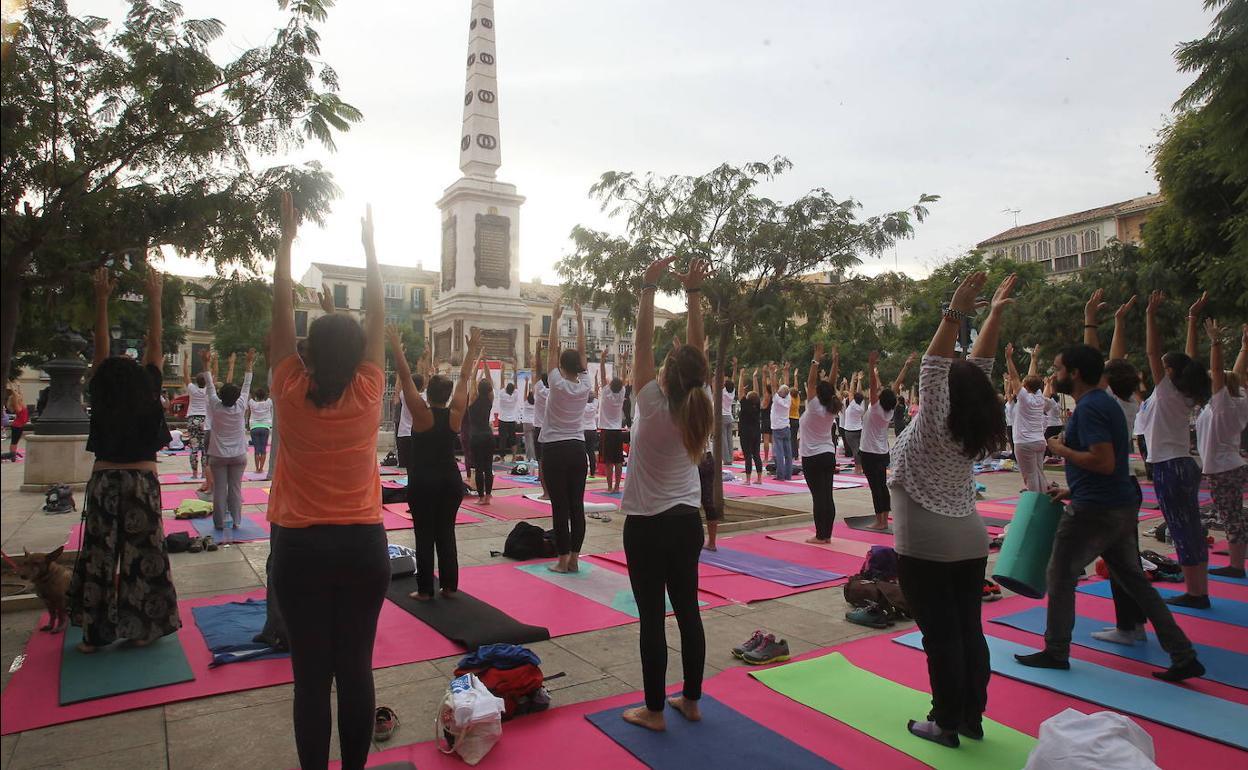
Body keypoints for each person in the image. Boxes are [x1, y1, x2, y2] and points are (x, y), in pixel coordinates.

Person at [266, 195, 390, 770]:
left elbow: (280, 309)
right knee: (356, 670)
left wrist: (286, 243)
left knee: (311, 679)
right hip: (362, 546)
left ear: (306, 352)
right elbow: (379, 323)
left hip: (299, 547)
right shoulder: (369, 393)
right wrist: (370, 252)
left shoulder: (288, 390)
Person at [1014, 343, 1205, 682]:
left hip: (1095, 509)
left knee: (1059, 576)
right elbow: (1111, 463)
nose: (1054, 376)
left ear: (1074, 373)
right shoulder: (1104, 403)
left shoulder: (1090, 407)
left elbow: (1103, 461)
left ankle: (1056, 651)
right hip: (1114, 503)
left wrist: (1061, 449)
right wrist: (1071, 487)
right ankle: (1182, 653)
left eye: (1058, 369)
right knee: (1134, 580)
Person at [890, 271, 1015, 748]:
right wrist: (995, 316)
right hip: (968, 537)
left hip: (927, 544)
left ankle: (944, 722)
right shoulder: (968, 420)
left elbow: (933, 366)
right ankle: (970, 717)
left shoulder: (931, 425)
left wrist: (955, 315)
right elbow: (977, 368)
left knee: (941, 637)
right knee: (968, 631)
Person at [619, 255, 714, 733]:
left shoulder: (650, 402)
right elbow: (698, 354)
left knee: (652, 620)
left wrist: (648, 287)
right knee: (689, 611)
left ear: (666, 374)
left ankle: (655, 710)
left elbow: (641, 343)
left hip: (646, 525)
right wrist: (694, 295)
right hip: (685, 524)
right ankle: (691, 700)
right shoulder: (703, 403)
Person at [68, 265, 179, 652]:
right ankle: (143, 627)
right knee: (144, 555)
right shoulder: (148, 386)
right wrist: (155, 298)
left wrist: (102, 298)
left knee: (101, 555)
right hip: (141, 484)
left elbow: (100, 342)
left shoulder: (102, 388)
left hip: (104, 482)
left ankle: (95, 634)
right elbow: (156, 342)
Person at [392, 325, 481, 601]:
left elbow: (406, 376)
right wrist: (471, 351)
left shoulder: (420, 414)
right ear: (447, 394)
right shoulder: (455, 413)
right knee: (446, 532)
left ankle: (425, 590)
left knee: (424, 534)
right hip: (450, 482)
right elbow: (465, 377)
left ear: (428, 393)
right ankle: (450, 586)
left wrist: (396, 344)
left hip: (424, 482)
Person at [1144, 291, 1213, 607]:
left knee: (1180, 529)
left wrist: (1150, 315)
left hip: (1169, 467)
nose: (1159, 367)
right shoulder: (1185, 391)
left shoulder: (1168, 391)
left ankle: (1195, 592)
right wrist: (1191, 319)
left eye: (1163, 366)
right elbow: (1190, 357)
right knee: (1190, 527)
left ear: (1169, 372)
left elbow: (1152, 349)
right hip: (1184, 464)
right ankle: (1199, 589)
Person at [540, 299, 591, 573]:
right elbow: (582, 354)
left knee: (559, 507)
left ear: (561, 366)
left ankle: (561, 560)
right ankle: (573, 558)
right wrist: (580, 321)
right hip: (577, 449)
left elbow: (551, 352)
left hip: (555, 450)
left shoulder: (557, 383)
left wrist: (554, 318)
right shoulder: (584, 385)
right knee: (576, 506)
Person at [1197, 320, 1248, 578]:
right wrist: (1244, 348)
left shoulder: (1223, 405)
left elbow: (1218, 371)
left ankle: (1237, 566)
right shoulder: (1238, 399)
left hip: (1223, 468)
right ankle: (1236, 562)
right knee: (1233, 515)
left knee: (1231, 518)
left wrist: (1216, 342)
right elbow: (1234, 374)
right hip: (1229, 465)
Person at [860, 351, 914, 531]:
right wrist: (906, 366)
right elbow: (896, 386)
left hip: (869, 453)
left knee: (875, 488)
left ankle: (880, 521)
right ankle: (884, 518)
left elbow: (873, 384)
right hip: (882, 452)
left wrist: (870, 365)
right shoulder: (888, 410)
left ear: (879, 399)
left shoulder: (875, 409)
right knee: (881, 486)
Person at [203, 349, 254, 532]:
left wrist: (206, 363)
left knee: (219, 490)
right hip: (239, 455)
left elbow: (209, 384)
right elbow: (247, 383)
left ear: (221, 396)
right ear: (237, 397)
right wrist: (249, 362)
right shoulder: (241, 406)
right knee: (235, 489)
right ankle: (237, 521)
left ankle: (218, 523)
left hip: (217, 456)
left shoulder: (215, 406)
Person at [799, 344, 841, 543]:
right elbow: (829, 384)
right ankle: (828, 535)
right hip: (828, 454)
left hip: (812, 457)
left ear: (817, 393)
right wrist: (835, 361)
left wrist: (815, 360)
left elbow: (811, 380)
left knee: (818, 497)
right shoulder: (831, 407)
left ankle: (820, 535)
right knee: (827, 495)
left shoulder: (815, 406)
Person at [1005, 343, 1056, 493]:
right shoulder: (1040, 397)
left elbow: (1014, 377)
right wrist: (1033, 359)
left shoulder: (1024, 398)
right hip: (1039, 442)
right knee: (1038, 472)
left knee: (1030, 476)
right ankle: (1043, 496)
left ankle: (1034, 500)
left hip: (1024, 442)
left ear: (1025, 387)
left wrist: (1009, 359)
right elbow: (1032, 378)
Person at [598, 351, 627, 493]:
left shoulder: (606, 392)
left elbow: (603, 377)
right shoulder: (621, 393)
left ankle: (609, 486)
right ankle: (617, 487)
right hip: (617, 431)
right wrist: (624, 361)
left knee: (609, 461)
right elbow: (624, 378)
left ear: (610, 385)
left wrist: (602, 360)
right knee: (618, 460)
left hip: (606, 430)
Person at [467, 372, 495, 505]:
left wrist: (478, 359)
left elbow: (472, 378)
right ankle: (488, 495)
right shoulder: (490, 399)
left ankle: (481, 497)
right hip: (488, 435)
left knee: (479, 468)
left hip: (476, 436)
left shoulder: (473, 399)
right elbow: (490, 383)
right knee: (488, 467)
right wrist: (484, 361)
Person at [763, 363, 793, 480]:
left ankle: (780, 475)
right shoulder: (788, 398)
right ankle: (788, 475)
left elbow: (774, 387)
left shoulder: (776, 399)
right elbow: (786, 385)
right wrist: (786, 372)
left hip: (777, 428)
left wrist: (772, 372)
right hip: (786, 427)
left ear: (780, 393)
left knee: (779, 453)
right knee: (788, 454)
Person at [182, 354, 209, 480]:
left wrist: (186, 359)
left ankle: (194, 473)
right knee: (204, 449)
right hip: (204, 420)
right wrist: (212, 362)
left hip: (193, 419)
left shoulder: (192, 389)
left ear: (196, 381)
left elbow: (186, 376)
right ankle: (204, 473)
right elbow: (213, 376)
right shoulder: (208, 390)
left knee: (194, 448)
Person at [737, 368, 763, 485]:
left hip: (745, 432)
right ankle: (759, 478)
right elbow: (756, 392)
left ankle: (747, 480)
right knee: (756, 454)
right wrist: (754, 378)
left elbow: (739, 392)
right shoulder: (757, 405)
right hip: (756, 432)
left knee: (747, 455)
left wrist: (741, 376)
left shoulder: (745, 404)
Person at [841, 373, 865, 471]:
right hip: (859, 429)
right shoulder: (861, 406)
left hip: (850, 431)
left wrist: (852, 380)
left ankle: (858, 468)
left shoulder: (852, 405)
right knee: (859, 449)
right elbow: (859, 392)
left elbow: (851, 391)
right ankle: (861, 466)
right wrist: (859, 380)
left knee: (855, 450)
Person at [248, 387, 274, 475]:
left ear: (256, 397)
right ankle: (261, 468)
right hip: (265, 427)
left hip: (254, 427)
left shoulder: (252, 403)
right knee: (263, 449)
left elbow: (249, 394)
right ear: (265, 396)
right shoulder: (268, 403)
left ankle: (256, 468)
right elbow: (271, 394)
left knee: (256, 449)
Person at [497, 368, 521, 461]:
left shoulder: (502, 394)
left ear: (506, 389)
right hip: (511, 420)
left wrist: (502, 370)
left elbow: (502, 381)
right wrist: (515, 371)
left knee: (502, 439)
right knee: (513, 438)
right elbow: (516, 382)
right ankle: (514, 456)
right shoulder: (515, 395)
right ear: (513, 390)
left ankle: (502, 458)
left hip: (502, 419)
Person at [5, 387, 28, 460]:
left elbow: (20, 394)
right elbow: (15, 396)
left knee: (16, 441)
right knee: (14, 442)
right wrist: (11, 386)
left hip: (19, 426)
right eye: (18, 397)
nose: (19, 397)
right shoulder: (17, 407)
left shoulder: (22, 405)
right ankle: (12, 456)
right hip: (17, 426)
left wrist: (18, 386)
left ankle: (13, 455)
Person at [721, 362, 737, 462]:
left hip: (722, 416)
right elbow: (733, 380)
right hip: (729, 416)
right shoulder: (732, 392)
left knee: (724, 440)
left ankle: (727, 459)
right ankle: (731, 457)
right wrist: (735, 368)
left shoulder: (723, 392)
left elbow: (721, 382)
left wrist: (721, 372)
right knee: (730, 439)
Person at [583, 385, 601, 476]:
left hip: (583, 430)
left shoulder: (583, 405)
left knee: (583, 452)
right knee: (591, 451)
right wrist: (596, 385)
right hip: (592, 430)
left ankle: (584, 470)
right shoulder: (595, 404)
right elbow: (596, 395)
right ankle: (593, 472)